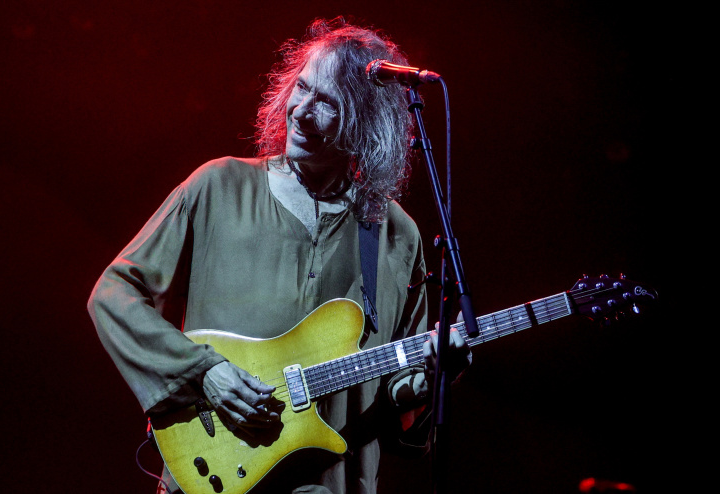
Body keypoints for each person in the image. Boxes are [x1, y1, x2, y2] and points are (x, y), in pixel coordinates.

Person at [87, 17, 470, 494]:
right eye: (302, 88)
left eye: (328, 103)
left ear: (368, 126)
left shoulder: (397, 235)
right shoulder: (218, 187)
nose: (302, 112)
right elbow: (115, 292)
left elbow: (398, 411)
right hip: (215, 474)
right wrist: (204, 372)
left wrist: (435, 376)